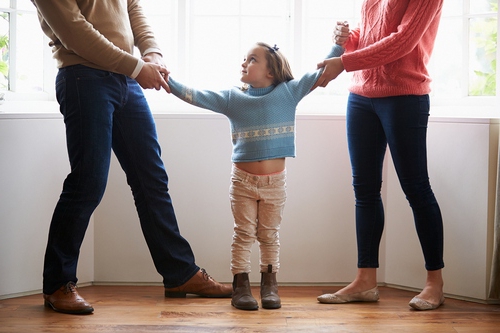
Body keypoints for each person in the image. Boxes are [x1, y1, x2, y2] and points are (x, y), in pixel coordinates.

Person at [31, 0, 232, 315]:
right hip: (84, 78)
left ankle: (180, 273)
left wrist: (152, 53)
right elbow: (74, 31)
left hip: (125, 81)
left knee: (151, 178)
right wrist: (138, 67)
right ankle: (57, 283)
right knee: (88, 182)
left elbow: (133, 7)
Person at [167, 42, 344, 310]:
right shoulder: (233, 98)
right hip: (243, 182)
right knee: (243, 234)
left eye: (252, 59)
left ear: (271, 71)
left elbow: (320, 73)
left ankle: (269, 286)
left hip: (275, 184)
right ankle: (241, 286)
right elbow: (195, 95)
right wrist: (165, 79)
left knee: (269, 235)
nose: (244, 63)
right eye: (245, 58)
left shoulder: (288, 92)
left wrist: (339, 44)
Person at [313, 0, 445, 311]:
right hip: (361, 97)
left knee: (416, 189)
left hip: (404, 97)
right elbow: (371, 34)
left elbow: (402, 41)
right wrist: (346, 38)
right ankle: (365, 281)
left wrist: (344, 62)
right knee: (365, 190)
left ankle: (435, 283)